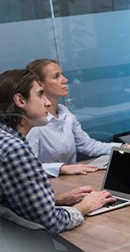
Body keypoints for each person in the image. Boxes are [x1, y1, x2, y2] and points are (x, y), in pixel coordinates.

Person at [0, 69, 115, 234]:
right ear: (20, 100)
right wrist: (85, 206)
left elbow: (10, 201)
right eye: (40, 95)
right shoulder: (14, 149)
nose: (47, 103)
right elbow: (52, 222)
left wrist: (57, 200)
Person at [24, 59, 121, 177]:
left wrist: (125, 147)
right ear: (40, 84)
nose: (65, 80)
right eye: (56, 76)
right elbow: (27, 168)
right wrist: (62, 168)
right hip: (50, 186)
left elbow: (88, 145)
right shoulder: (34, 123)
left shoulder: (64, 111)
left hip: (73, 180)